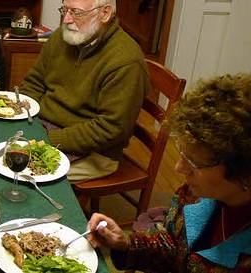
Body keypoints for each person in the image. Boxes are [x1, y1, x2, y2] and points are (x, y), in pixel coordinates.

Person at [87, 74, 251, 273]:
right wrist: (125, 244)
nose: (179, 168)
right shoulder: (194, 195)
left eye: (194, 163)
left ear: (243, 172)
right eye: (183, 155)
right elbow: (174, 247)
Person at [20, 0, 149, 182]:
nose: (66, 21)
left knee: (21, 175)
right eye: (64, 11)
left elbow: (110, 129)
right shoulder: (62, 38)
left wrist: (46, 140)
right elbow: (34, 83)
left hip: (95, 152)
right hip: (42, 127)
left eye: (76, 13)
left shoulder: (126, 61)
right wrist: (23, 118)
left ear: (105, 13)